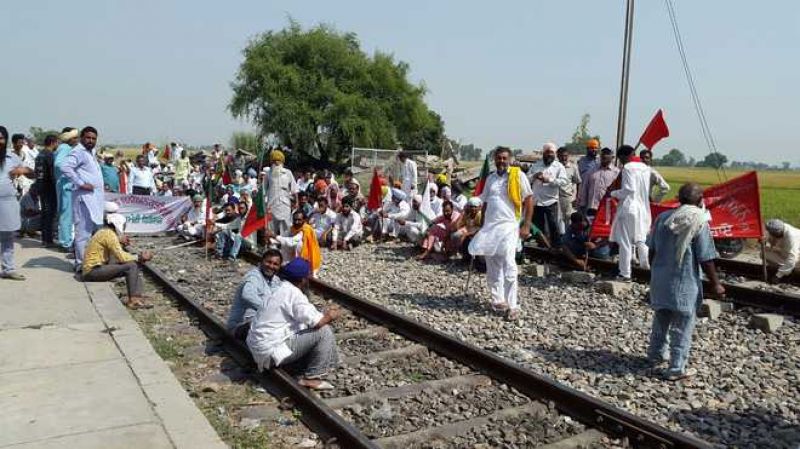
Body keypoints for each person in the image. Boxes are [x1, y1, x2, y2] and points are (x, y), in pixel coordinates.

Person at [647, 183, 724, 380]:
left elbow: (652, 250)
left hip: (661, 278)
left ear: (679, 199)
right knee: (683, 324)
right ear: (700, 200)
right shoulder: (699, 220)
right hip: (684, 282)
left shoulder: (663, 218)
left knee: (661, 318)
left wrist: (656, 272)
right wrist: (715, 283)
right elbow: (706, 258)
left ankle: (655, 355)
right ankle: (676, 368)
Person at [246, 258, 341, 390]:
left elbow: (304, 315)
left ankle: (316, 365)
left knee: (306, 327)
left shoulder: (277, 286)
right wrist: (331, 315)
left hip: (258, 348)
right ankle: (312, 378)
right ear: (303, 280)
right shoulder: (294, 293)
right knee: (324, 332)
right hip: (269, 353)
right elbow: (318, 323)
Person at [468, 147, 534, 320]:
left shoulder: (517, 175)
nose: (501, 161)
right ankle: (498, 300)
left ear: (510, 159)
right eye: (499, 158)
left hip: (509, 226)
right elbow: (485, 200)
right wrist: (474, 205)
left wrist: (526, 226)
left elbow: (529, 199)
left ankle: (513, 305)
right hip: (490, 227)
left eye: (504, 158)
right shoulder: (490, 178)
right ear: (494, 160)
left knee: (508, 263)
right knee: (492, 262)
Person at [82, 203, 153, 309]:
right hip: (92, 271)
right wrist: (139, 257)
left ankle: (137, 295)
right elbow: (122, 257)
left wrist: (120, 241)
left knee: (132, 264)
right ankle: (133, 300)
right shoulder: (109, 235)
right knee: (132, 265)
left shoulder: (104, 232)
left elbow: (115, 249)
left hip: (93, 269)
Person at [60, 127, 105, 269]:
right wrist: (80, 183)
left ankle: (90, 261)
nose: (91, 141)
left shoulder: (90, 152)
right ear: (81, 138)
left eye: (93, 138)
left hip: (93, 199)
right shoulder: (78, 151)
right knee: (82, 233)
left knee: (92, 231)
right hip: (83, 198)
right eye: (88, 138)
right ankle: (80, 264)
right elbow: (65, 167)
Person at [609, 145, 652, 281]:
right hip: (643, 209)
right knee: (640, 239)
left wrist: (613, 193)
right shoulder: (646, 168)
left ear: (622, 156)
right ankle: (646, 267)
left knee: (625, 242)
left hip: (629, 208)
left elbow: (629, 189)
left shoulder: (627, 168)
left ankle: (625, 274)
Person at [0, 126, 35, 280]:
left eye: (1, 138)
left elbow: (32, 173)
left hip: (8, 202)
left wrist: (24, 171)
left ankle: (8, 269)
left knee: (8, 236)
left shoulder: (12, 157)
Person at [228, 249, 283, 340]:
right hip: (241, 326)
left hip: (260, 321)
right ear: (262, 261)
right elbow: (247, 295)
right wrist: (269, 310)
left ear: (279, 266)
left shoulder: (275, 280)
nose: (271, 266)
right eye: (268, 262)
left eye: (275, 264)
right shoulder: (254, 277)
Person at [527, 143, 568, 245]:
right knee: (538, 227)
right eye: (547, 152)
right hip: (537, 202)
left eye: (551, 152)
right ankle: (542, 246)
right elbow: (527, 179)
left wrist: (549, 180)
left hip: (551, 201)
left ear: (554, 154)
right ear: (543, 153)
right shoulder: (536, 165)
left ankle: (556, 247)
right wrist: (534, 176)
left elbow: (564, 181)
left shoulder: (559, 167)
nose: (549, 154)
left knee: (553, 226)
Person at [264, 150, 298, 237]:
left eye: (278, 161)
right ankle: (272, 247)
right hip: (272, 204)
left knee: (286, 226)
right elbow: (263, 190)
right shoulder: (268, 174)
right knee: (271, 226)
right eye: (274, 161)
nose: (276, 163)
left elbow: (294, 188)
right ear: (271, 162)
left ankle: (285, 246)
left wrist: (297, 202)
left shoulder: (288, 173)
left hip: (285, 203)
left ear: (282, 162)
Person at [54, 128, 78, 251]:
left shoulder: (65, 148)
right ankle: (65, 242)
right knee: (66, 215)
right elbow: (59, 164)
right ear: (71, 139)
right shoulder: (65, 148)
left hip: (67, 186)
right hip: (66, 186)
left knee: (68, 215)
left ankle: (67, 240)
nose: (77, 140)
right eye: (75, 138)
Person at [577, 148, 619, 217]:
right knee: (592, 226)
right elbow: (585, 188)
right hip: (592, 207)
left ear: (612, 157)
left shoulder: (616, 172)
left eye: (607, 154)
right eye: (603, 155)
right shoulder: (591, 171)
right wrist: (582, 204)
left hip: (608, 208)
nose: (604, 156)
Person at [34, 134, 58, 246]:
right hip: (49, 188)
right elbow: (52, 174)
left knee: (45, 213)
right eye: (56, 143)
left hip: (41, 187)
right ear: (53, 143)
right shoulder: (50, 155)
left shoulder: (39, 155)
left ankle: (45, 238)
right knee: (49, 214)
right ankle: (48, 240)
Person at [764, 219, 800, 283]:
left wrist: (778, 276)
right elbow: (772, 239)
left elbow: (792, 258)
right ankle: (785, 269)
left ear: (779, 232)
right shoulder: (779, 228)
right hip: (786, 253)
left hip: (797, 256)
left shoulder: (791, 237)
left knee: (792, 261)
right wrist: (767, 242)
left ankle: (787, 272)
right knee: (764, 254)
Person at [557, 146, 581, 232]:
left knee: (568, 217)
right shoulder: (555, 167)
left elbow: (578, 182)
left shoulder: (573, 167)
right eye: (561, 156)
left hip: (567, 197)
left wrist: (577, 197)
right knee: (557, 218)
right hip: (555, 197)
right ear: (558, 156)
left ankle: (568, 237)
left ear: (568, 156)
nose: (563, 158)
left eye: (565, 156)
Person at [452, 197, 482, 261]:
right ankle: (463, 255)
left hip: (477, 233)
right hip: (469, 231)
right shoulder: (468, 214)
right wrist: (463, 213)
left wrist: (467, 234)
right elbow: (458, 225)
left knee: (465, 238)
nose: (473, 208)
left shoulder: (479, 215)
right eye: (471, 206)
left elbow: (480, 228)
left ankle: (470, 257)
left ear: (479, 207)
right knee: (455, 235)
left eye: (475, 206)